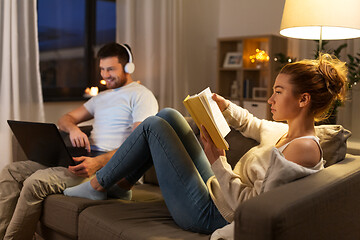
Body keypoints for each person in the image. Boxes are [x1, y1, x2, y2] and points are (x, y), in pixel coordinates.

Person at [64, 53, 347, 239]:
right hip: (218, 193)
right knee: (169, 116)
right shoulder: (286, 132)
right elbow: (252, 124)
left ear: (303, 100)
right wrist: (224, 107)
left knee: (153, 125)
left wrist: (217, 160)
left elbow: (253, 209)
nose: (270, 100)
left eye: (278, 91)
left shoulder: (303, 149)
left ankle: (99, 186)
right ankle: (115, 186)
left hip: (215, 216)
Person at [0, 42, 158, 240]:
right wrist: (73, 129)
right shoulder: (101, 98)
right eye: (102, 69)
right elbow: (65, 119)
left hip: (108, 168)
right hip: (85, 158)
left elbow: (138, 143)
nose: (105, 75)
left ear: (128, 68)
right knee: (11, 172)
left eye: (110, 69)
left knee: (36, 182)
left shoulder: (142, 96)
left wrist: (98, 163)